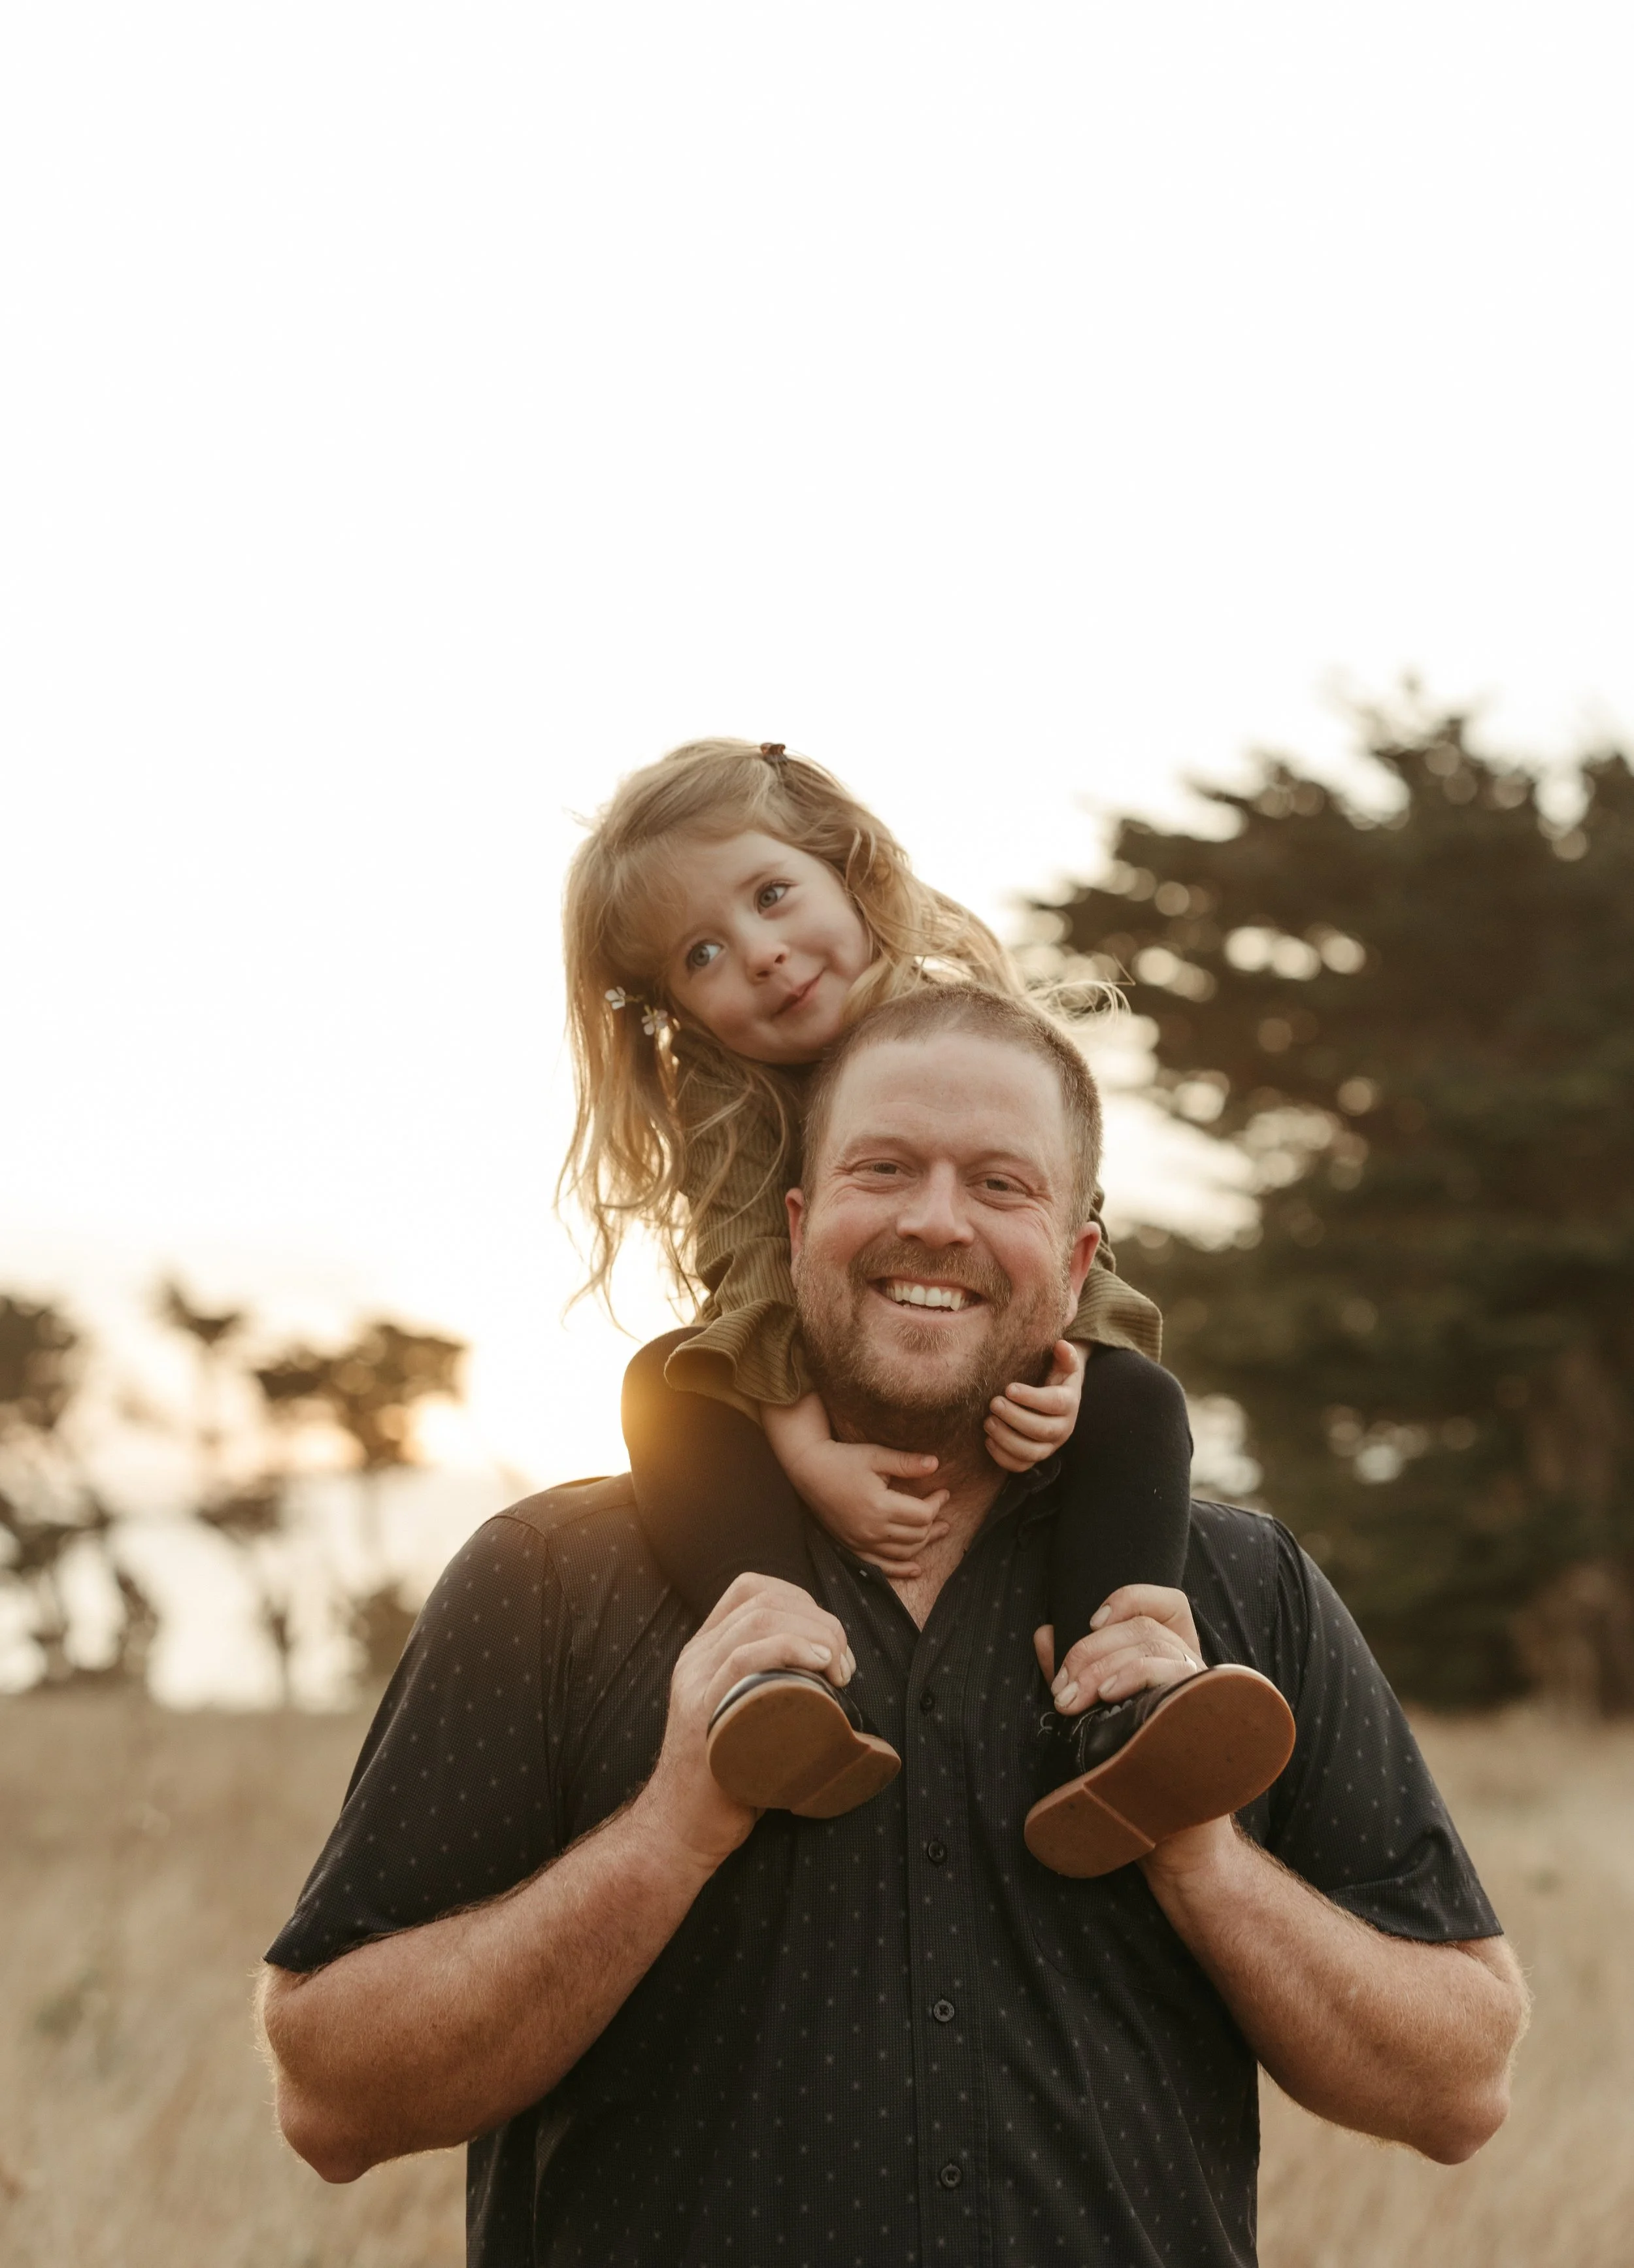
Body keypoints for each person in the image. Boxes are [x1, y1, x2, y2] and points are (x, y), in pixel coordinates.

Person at [260, 984, 1528, 2268]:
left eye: (999, 1185)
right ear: (799, 1225)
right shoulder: (550, 1578)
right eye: (883, 1170)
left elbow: (1456, 2079)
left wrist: (1199, 1856)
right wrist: (669, 1830)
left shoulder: (1237, 1592)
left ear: (1079, 1260)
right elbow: (331, 2093)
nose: (934, 1220)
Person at [559, 736, 1285, 1869]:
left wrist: (1073, 1363)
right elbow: (750, 1292)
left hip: (988, 1347)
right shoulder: (731, 1112)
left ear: (847, 865)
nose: (760, 954)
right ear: (677, 1014)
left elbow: (1051, 1226)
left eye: (771, 895)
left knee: (1141, 1395)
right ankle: (779, 1674)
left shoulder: (969, 1027)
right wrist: (804, 1452)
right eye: (702, 953)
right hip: (809, 1361)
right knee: (663, 1387)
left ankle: (1119, 1698)